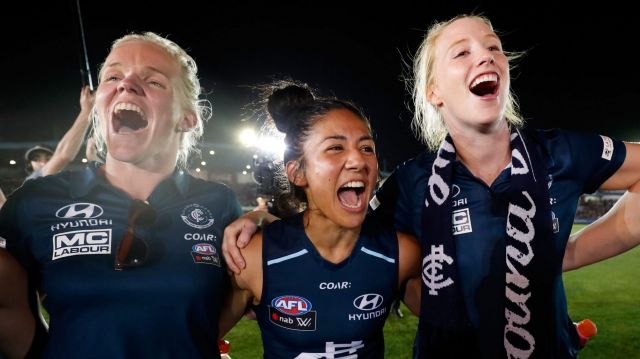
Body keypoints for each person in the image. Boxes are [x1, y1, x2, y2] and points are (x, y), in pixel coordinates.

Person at [221, 15, 640, 359]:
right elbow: (334, 227)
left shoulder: (560, 153)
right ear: (433, 91)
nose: (486, 56)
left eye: (494, 47)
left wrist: (567, 253)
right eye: (462, 52)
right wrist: (263, 215)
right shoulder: (412, 183)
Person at [0, 32, 242, 358]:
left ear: (187, 118)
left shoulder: (220, 205)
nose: (125, 85)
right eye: (113, 76)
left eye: (154, 81)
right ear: (98, 102)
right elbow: (10, 307)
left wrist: (267, 222)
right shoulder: (34, 202)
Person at [218, 82, 420, 358]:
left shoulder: (401, 253)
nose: (358, 161)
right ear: (297, 173)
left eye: (367, 148)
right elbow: (183, 341)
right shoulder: (253, 259)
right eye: (336, 148)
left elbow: (459, 327)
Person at [24, 85, 95, 181]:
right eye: (36, 159)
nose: (43, 163)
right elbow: (63, 154)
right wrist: (86, 111)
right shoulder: (34, 181)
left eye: (48, 158)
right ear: (29, 164)